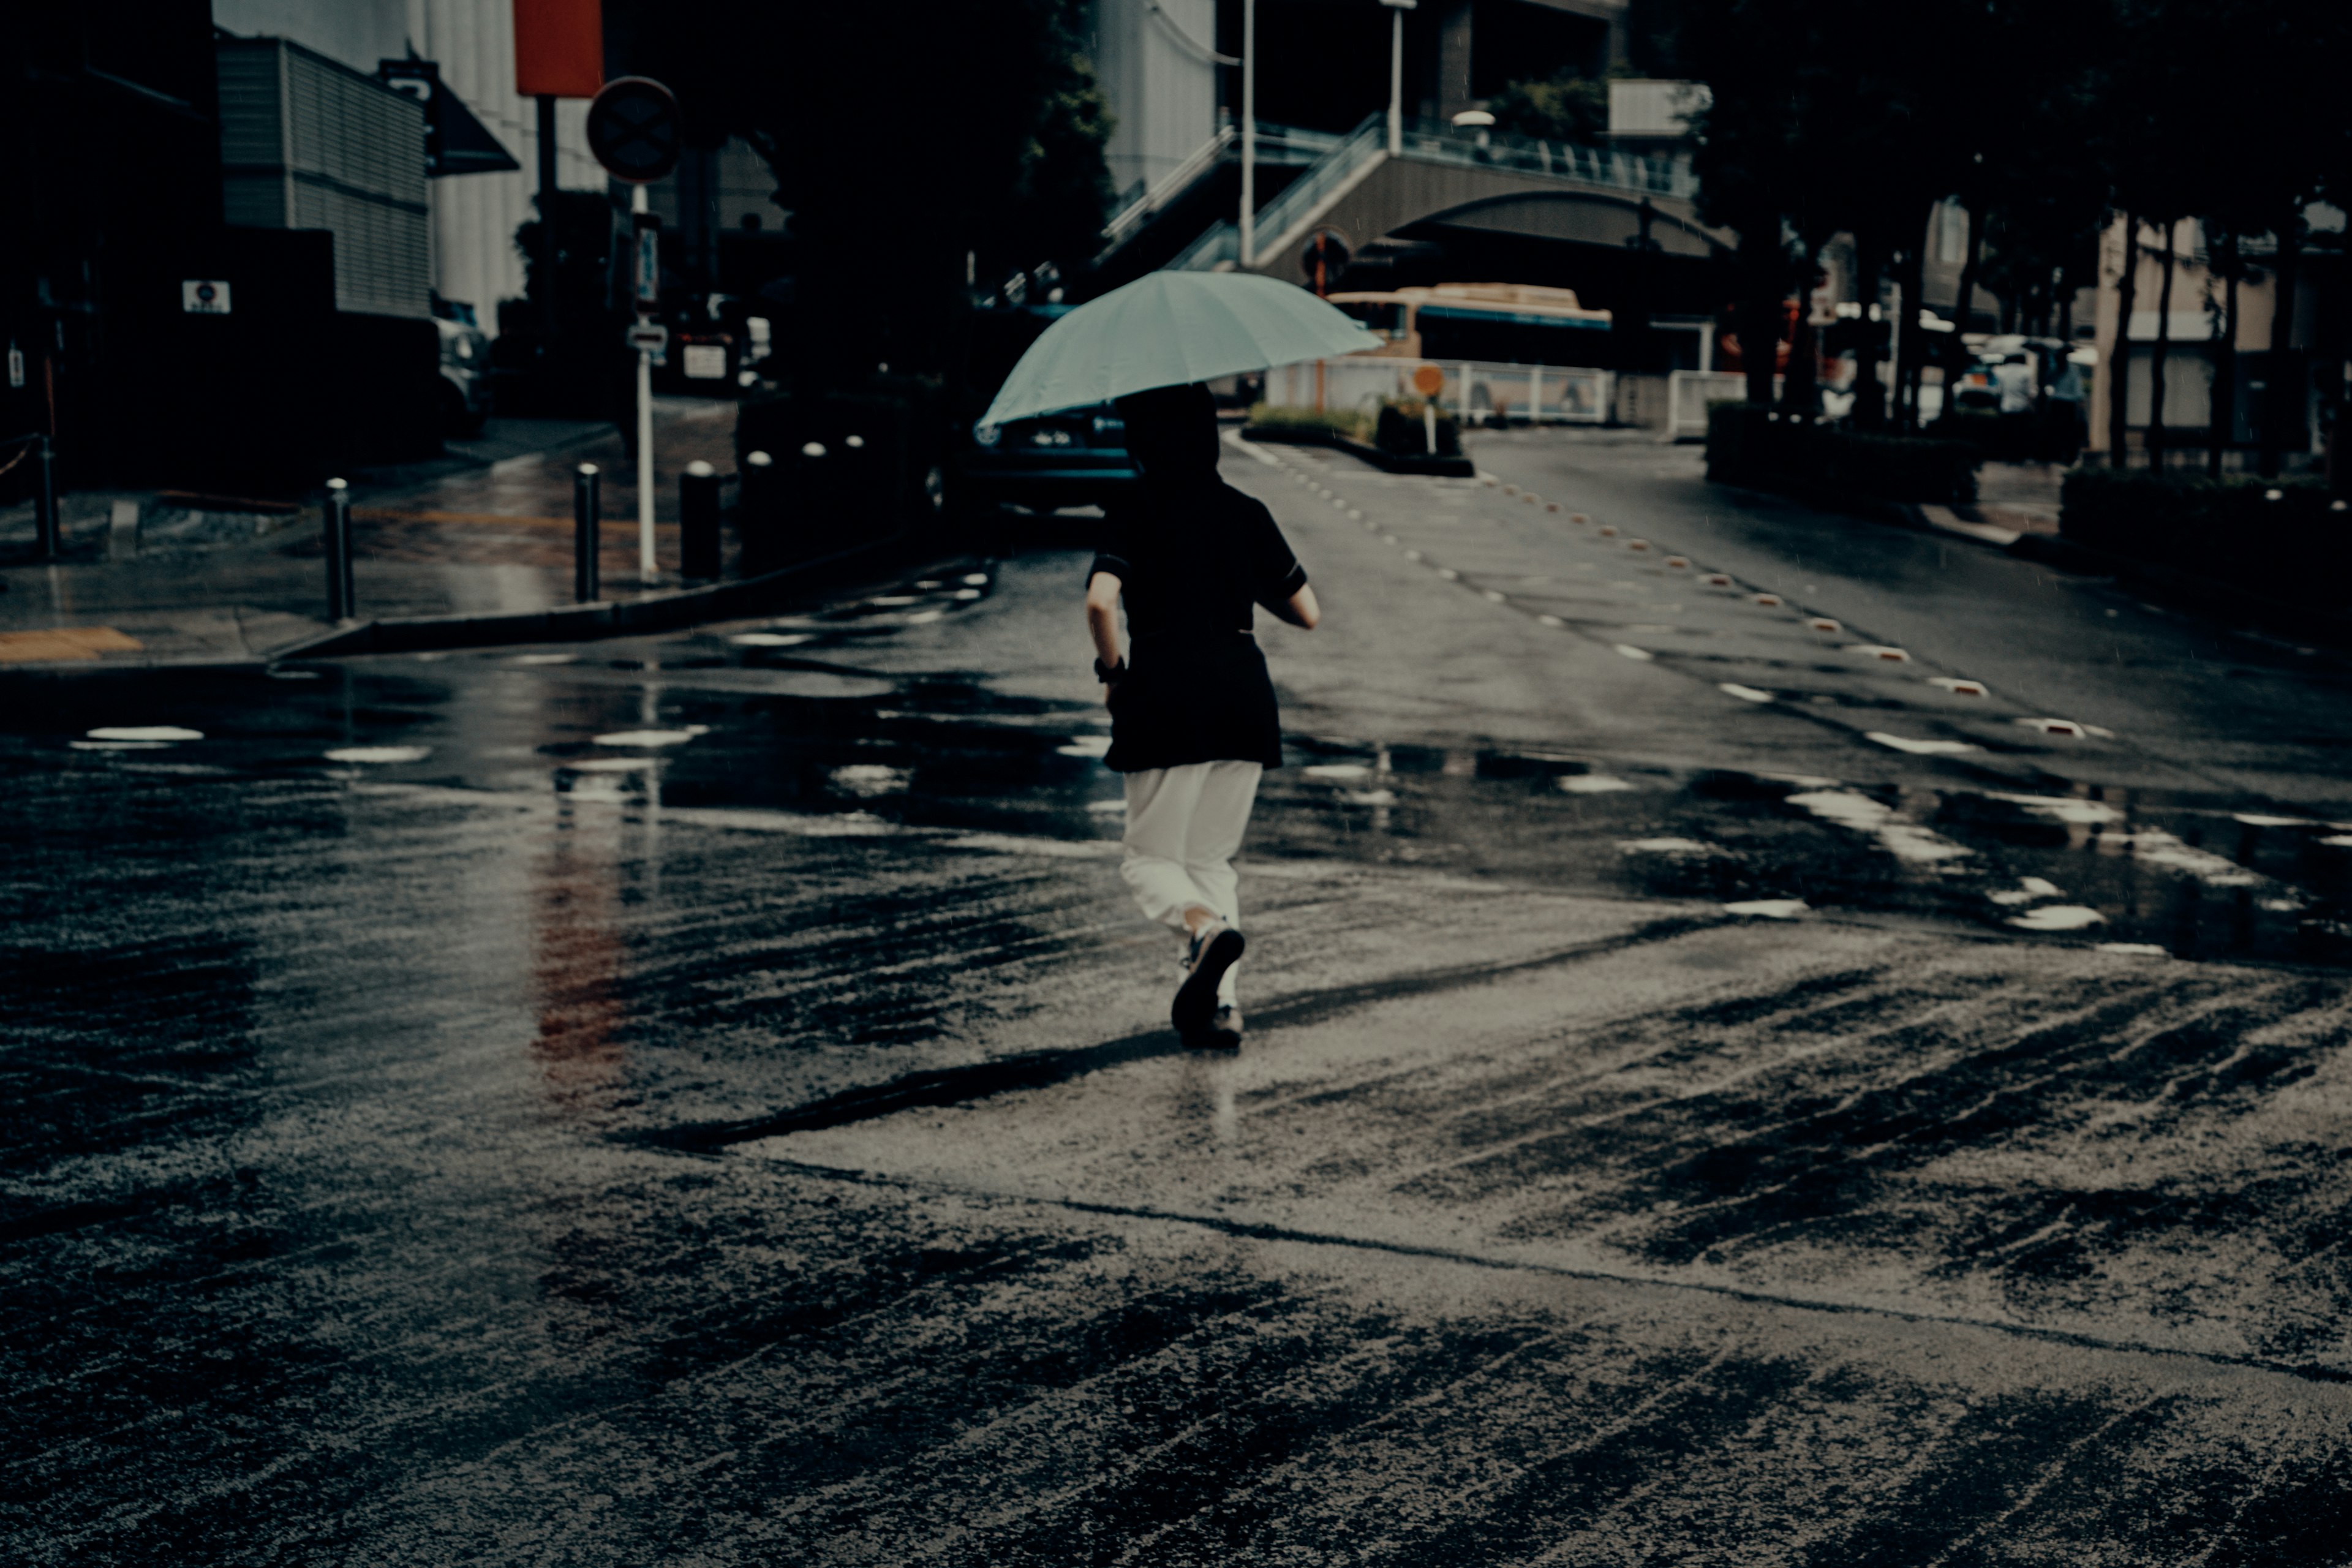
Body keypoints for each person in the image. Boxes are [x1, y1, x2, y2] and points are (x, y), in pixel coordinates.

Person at [1084, 382, 1322, 1049]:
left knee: (1148, 860)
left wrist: (1112, 674)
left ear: (1141, 441)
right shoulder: (1245, 511)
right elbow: (1308, 612)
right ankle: (1221, 1008)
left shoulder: (1132, 508)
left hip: (1163, 692)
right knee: (1213, 859)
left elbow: (1102, 603)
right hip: (1244, 695)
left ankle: (1203, 931)